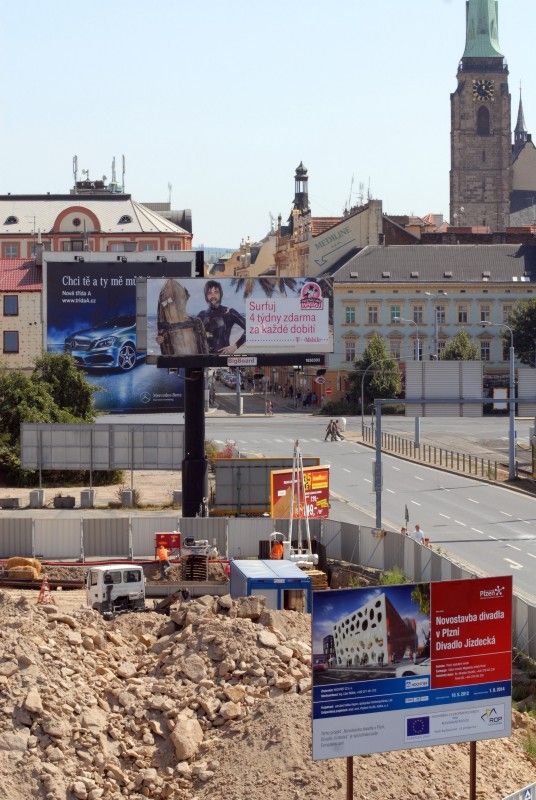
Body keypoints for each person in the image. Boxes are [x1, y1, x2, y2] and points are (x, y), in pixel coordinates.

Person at [197, 280, 246, 355]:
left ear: (221, 294)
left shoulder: (229, 312)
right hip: (204, 360)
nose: (213, 296)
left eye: (216, 292)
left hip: (223, 360)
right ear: (206, 296)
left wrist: (235, 346)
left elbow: (251, 330)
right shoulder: (201, 315)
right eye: (209, 293)